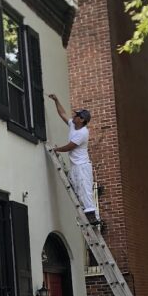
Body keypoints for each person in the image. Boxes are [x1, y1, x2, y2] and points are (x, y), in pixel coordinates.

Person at [48, 94, 99, 224]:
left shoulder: (83, 133)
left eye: (77, 115)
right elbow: (63, 113)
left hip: (82, 165)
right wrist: (56, 100)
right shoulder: (73, 125)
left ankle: (92, 216)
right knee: (77, 187)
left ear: (82, 120)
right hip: (75, 165)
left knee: (84, 187)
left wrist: (57, 149)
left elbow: (70, 146)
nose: (74, 116)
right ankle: (86, 211)